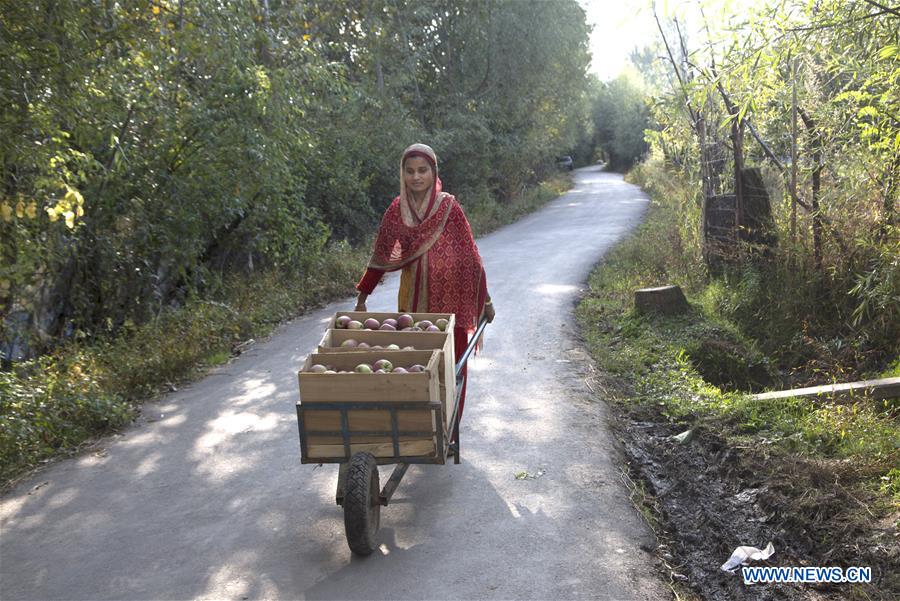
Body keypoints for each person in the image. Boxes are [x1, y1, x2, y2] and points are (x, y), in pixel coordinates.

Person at [355, 143, 495, 429]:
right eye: (410, 171)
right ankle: (421, 429)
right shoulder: (397, 210)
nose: (416, 177)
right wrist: (363, 296)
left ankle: (449, 430)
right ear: (402, 174)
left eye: (422, 170)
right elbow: (380, 256)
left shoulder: (449, 207)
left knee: (453, 367)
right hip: (414, 301)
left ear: (434, 172)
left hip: (452, 300)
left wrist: (486, 301)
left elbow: (470, 257)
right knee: (415, 363)